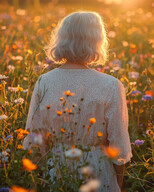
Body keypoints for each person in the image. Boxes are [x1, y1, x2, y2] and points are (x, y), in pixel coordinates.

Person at [23, 11, 132, 192]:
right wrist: (117, 185)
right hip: (97, 172)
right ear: (97, 41)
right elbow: (119, 148)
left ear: (62, 38)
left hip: (57, 168)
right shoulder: (111, 85)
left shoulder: (45, 81)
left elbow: (34, 140)